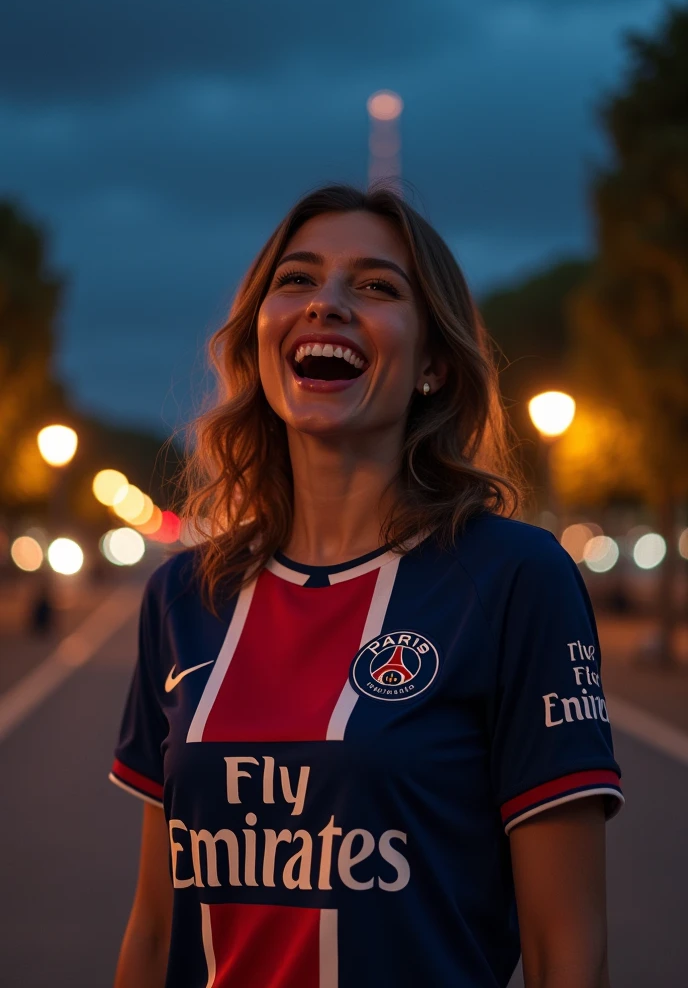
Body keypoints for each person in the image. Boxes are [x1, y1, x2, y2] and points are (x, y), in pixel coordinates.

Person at [110, 184, 623, 988]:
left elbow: (568, 949)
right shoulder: (183, 596)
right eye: (298, 279)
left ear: (432, 364)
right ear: (260, 341)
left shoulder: (516, 579)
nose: (328, 305)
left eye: (377, 287)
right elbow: (152, 929)